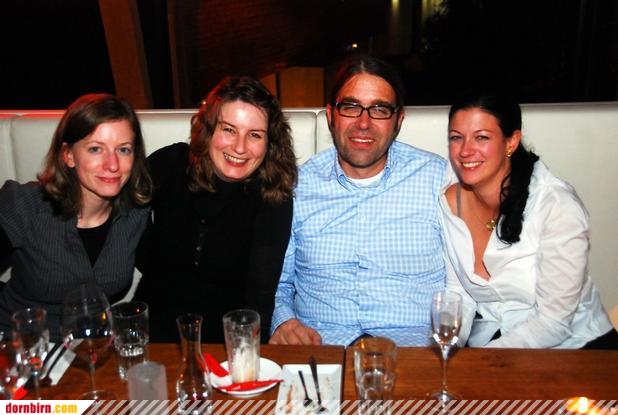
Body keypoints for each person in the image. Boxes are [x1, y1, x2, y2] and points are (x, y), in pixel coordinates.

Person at [269, 56, 447, 347]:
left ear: (398, 120)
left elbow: (467, 280)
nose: (364, 123)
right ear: (331, 115)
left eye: (379, 110)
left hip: (414, 352)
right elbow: (278, 281)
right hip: (321, 349)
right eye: (350, 107)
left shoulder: (437, 179)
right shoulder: (296, 186)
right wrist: (283, 321)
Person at [441, 91, 618, 349]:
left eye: (482, 137)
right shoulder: (449, 202)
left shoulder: (556, 207)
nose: (465, 151)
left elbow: (553, 323)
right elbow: (458, 295)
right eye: (456, 137)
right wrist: (449, 350)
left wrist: (481, 362)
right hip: (495, 346)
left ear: (511, 142)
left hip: (576, 350)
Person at [135, 76, 297, 343]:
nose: (240, 147)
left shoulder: (273, 195)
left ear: (270, 143)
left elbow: (260, 296)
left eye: (254, 135)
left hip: (226, 341)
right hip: (150, 336)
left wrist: (246, 354)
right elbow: (120, 217)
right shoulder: (170, 164)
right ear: (209, 128)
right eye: (229, 130)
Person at [0, 93, 152, 341]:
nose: (113, 164)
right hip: (18, 345)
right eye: (95, 149)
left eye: (123, 149)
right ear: (68, 155)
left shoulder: (136, 214)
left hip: (91, 347)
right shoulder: (25, 204)